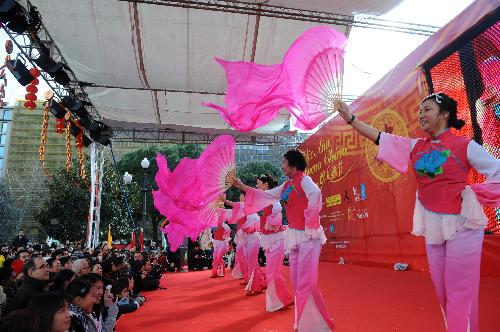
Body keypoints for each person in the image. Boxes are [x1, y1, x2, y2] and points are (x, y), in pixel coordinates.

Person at [335, 93, 499, 332]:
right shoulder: (416, 146)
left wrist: (475, 193)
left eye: (427, 110)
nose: (420, 115)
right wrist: (350, 118)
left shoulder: (465, 145)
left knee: (458, 290)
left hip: (462, 226)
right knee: (443, 290)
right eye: (420, 110)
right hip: (433, 225)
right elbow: (380, 138)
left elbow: (497, 171)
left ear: (444, 115)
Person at [232, 149, 334, 331]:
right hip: (294, 236)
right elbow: (266, 195)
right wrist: (242, 186)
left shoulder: (305, 180)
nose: (282, 165)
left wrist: (310, 219)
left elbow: (316, 195)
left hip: (308, 236)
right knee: (296, 281)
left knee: (305, 282)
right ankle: (310, 323)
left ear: (293, 164)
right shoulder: (287, 186)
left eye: (284, 162)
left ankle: (312, 325)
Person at [255, 173, 293, 311]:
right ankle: (283, 300)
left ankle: (280, 301)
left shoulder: (274, 202)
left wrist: (266, 224)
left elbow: (275, 221)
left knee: (272, 273)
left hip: (277, 240)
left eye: (259, 183)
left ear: (266, 185)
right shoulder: (266, 201)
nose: (257, 186)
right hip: (271, 241)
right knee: (272, 272)